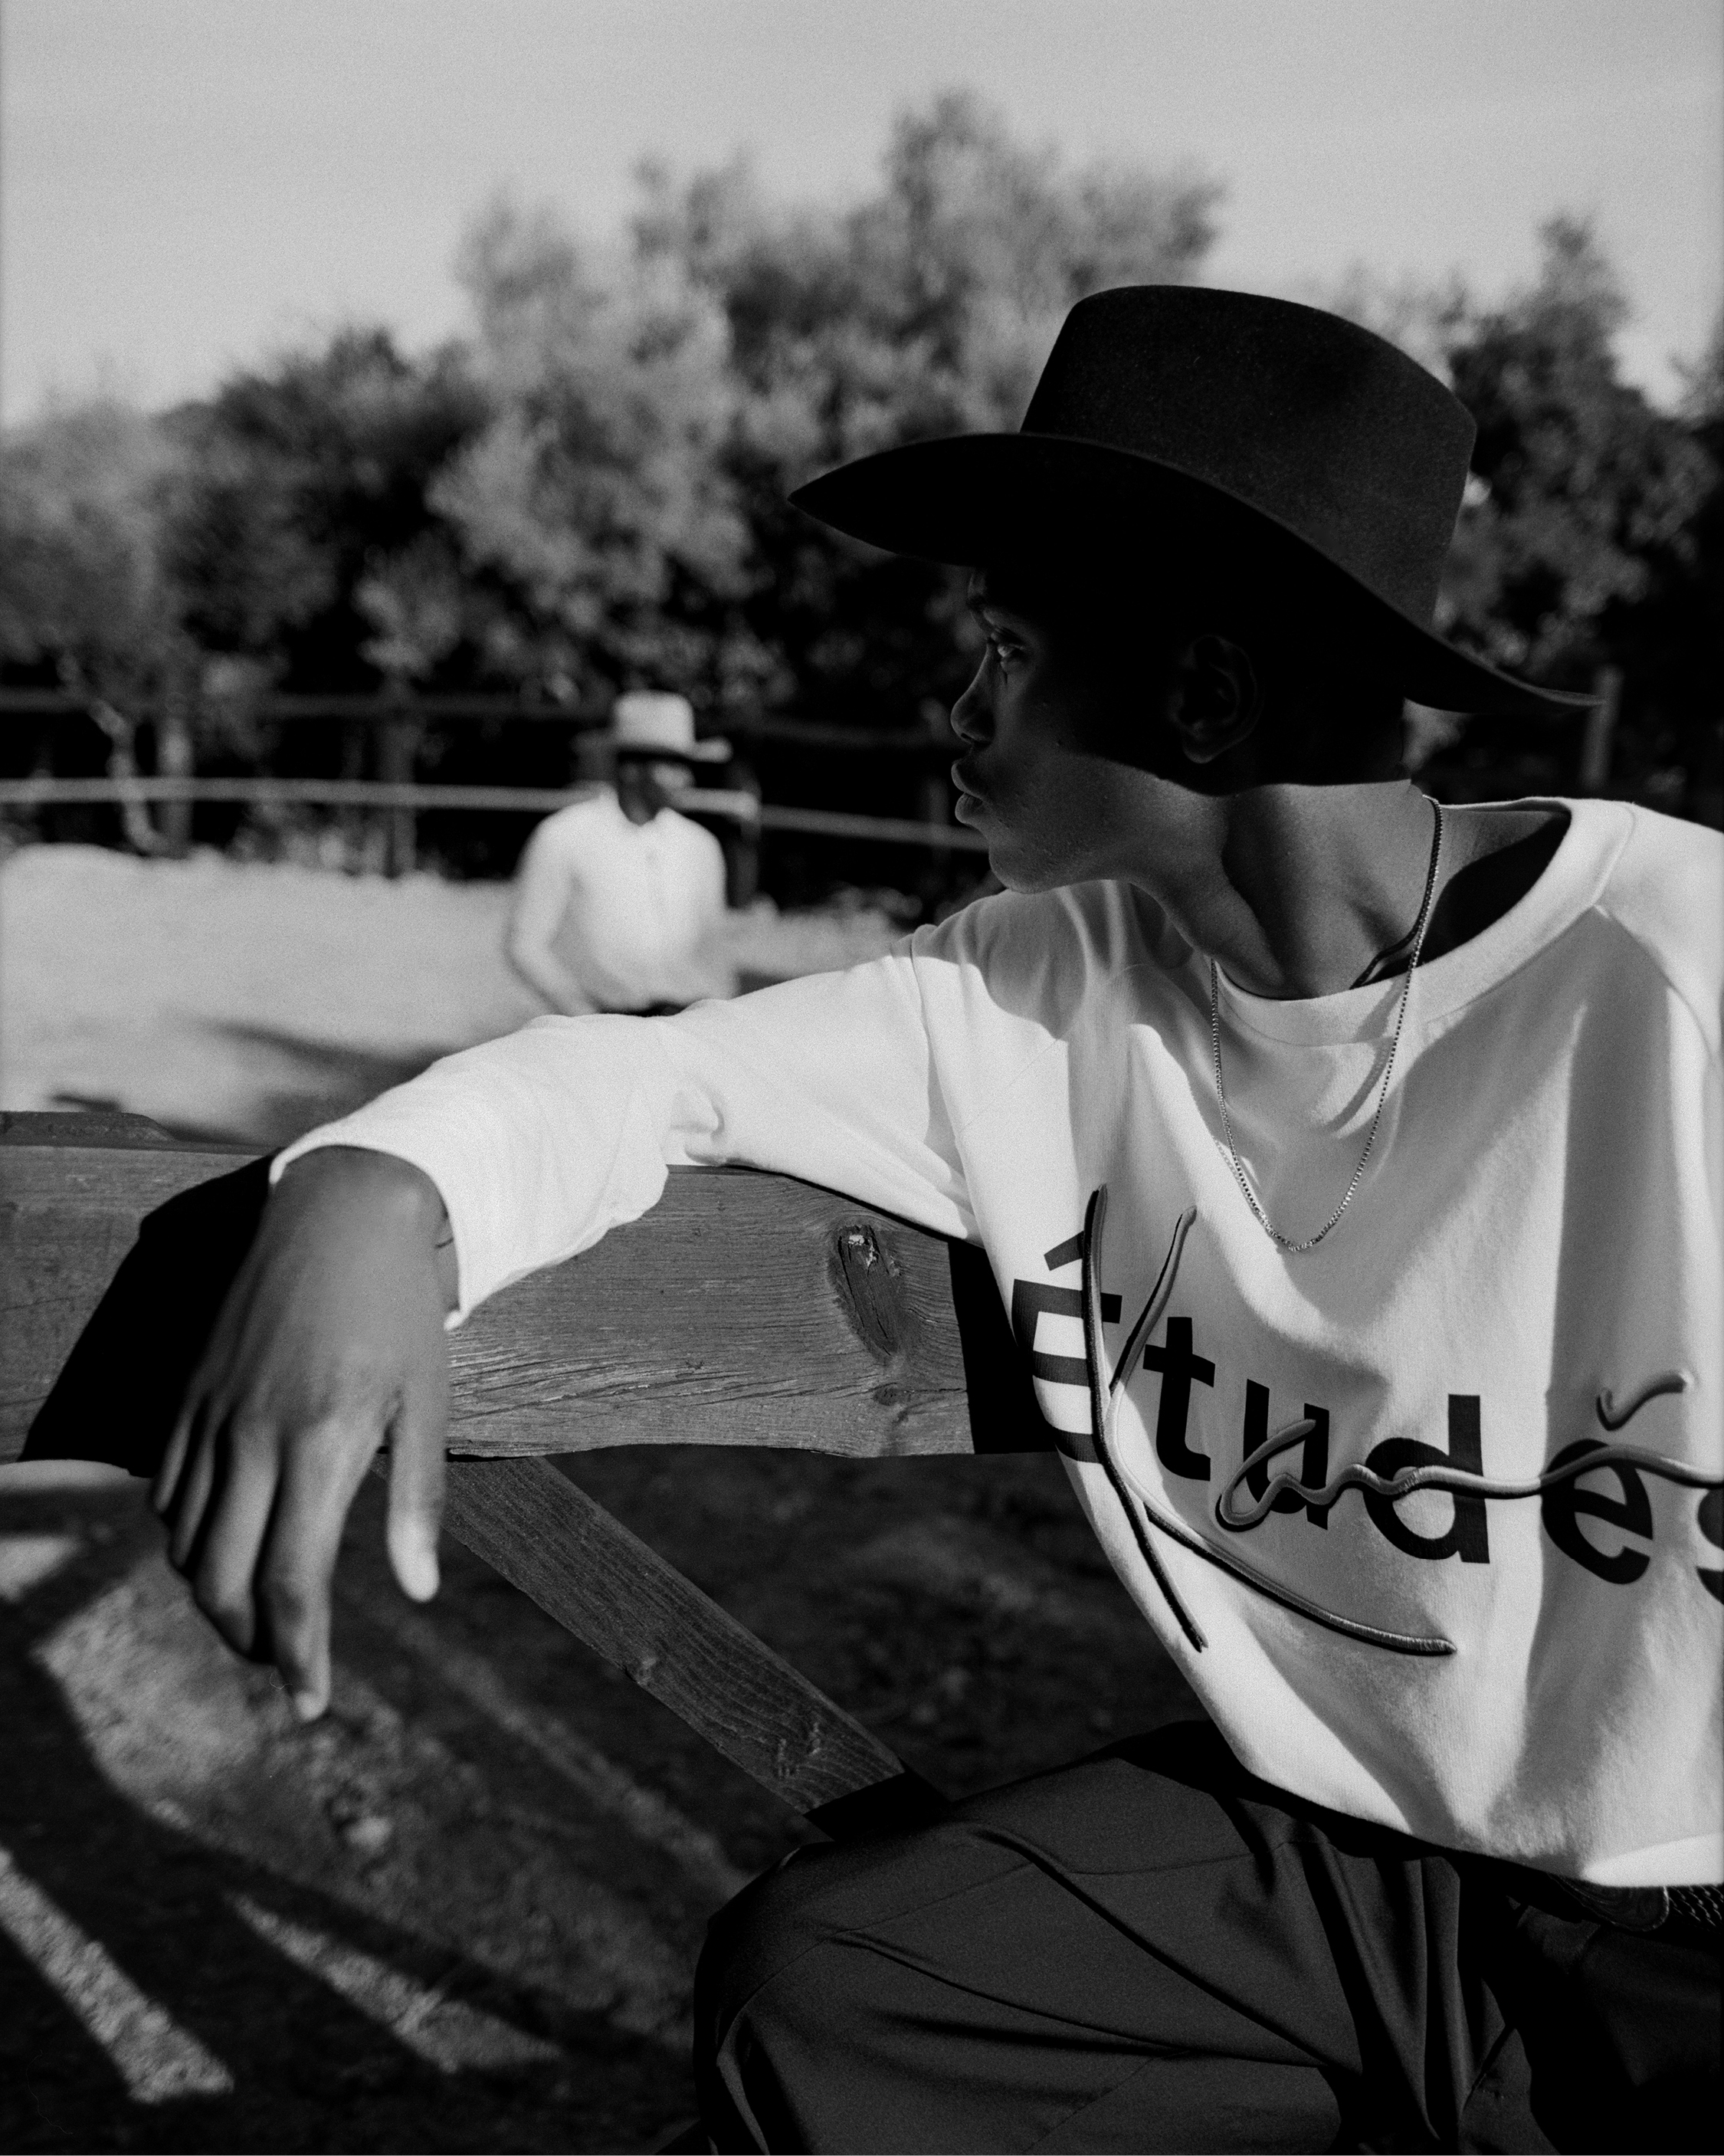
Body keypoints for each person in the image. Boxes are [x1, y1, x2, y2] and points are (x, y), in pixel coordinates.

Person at [151, 287, 1720, 2151]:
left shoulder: (1671, 964)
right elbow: (645, 1077)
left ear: (1205, 697)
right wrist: (366, 1186)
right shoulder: (1019, 988)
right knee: (834, 1984)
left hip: (1688, 1905)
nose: (961, 711)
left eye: (1006, 647)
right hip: (1352, 1862)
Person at [505, 690, 737, 1016]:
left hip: (688, 1022)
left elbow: (714, 948)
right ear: (632, 769)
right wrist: (583, 1014)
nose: (687, 777)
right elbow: (525, 944)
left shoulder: (700, 846)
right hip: (608, 1022)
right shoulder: (565, 836)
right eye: (673, 764)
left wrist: (716, 1015)